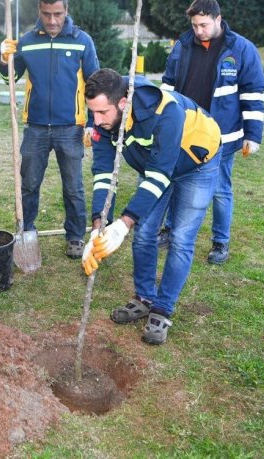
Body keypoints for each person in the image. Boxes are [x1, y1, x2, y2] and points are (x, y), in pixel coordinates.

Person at [81, 68, 222, 345]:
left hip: (197, 162)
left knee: (180, 238)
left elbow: (159, 176)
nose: (96, 121)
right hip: (157, 162)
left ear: (123, 103)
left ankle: (162, 308)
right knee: (145, 233)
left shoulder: (164, 111)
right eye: (92, 113)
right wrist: (99, 226)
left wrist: (122, 224)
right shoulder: (104, 117)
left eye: (101, 113)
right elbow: (103, 175)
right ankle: (145, 298)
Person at [158, 0, 264, 264]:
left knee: (219, 189)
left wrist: (253, 135)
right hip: (184, 132)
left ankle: (220, 242)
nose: (199, 31)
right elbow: (168, 87)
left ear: (218, 19)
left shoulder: (241, 49)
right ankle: (170, 230)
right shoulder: (182, 47)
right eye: (195, 25)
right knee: (176, 182)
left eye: (204, 25)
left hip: (222, 137)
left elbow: (253, 93)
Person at [0, 0, 100, 259]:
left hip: (71, 128)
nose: (52, 20)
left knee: (73, 187)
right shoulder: (28, 41)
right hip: (36, 128)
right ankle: (25, 230)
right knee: (29, 184)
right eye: (46, 14)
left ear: (66, 10)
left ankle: (75, 236)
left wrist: (91, 122)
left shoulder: (82, 41)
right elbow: (10, 79)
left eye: (57, 13)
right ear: (39, 11)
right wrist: (4, 58)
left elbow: (95, 84)